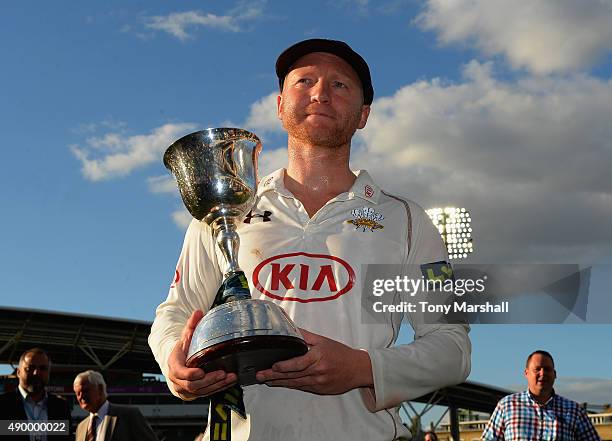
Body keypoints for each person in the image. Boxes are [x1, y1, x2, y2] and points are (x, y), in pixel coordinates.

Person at [149, 38, 471, 440]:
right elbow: (175, 312)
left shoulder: (408, 221)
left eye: (340, 85)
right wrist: (173, 363)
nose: (320, 92)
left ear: (363, 115)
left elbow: (452, 346)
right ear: (280, 104)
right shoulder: (225, 212)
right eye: (304, 81)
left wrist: (361, 368)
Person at [481, 350, 601, 440]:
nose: (542, 373)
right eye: (537, 369)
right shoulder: (506, 406)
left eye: (547, 369)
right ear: (526, 373)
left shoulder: (574, 411)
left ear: (555, 374)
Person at [0, 348, 71, 441]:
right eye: (30, 368)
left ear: (49, 373)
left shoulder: (61, 407)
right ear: (18, 372)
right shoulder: (2, 405)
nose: (36, 373)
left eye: (43, 368)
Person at [73, 370, 158, 441]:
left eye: (85, 391)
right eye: (77, 393)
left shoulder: (129, 415)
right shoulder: (81, 427)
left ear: (100, 389)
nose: (81, 396)